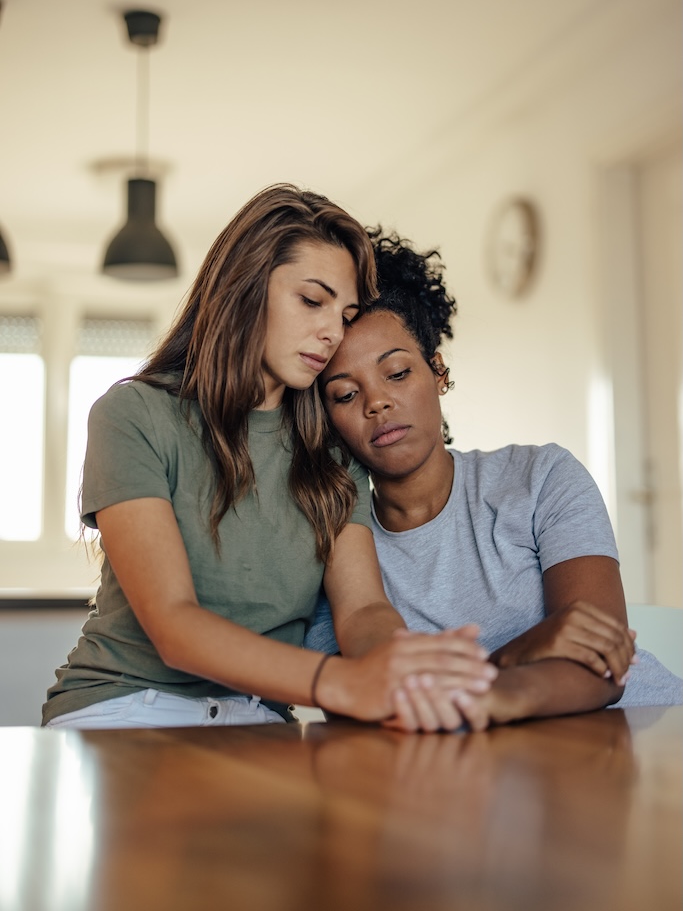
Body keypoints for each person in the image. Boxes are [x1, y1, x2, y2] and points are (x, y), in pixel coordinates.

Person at [43, 184, 495, 732]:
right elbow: (174, 626)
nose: (332, 332)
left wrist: (401, 667)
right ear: (245, 288)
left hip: (257, 719)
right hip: (124, 706)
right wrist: (341, 683)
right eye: (312, 300)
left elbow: (362, 612)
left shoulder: (329, 447)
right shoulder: (133, 414)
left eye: (346, 313)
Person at [305, 228, 682, 730]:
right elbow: (366, 701)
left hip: (645, 734)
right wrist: (519, 652)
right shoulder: (335, 555)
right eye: (346, 395)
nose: (377, 402)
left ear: (437, 372)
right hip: (483, 772)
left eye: (397, 373)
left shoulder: (541, 477)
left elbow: (602, 658)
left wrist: (478, 692)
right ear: (325, 417)